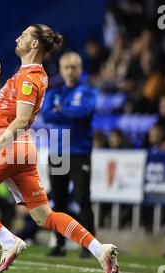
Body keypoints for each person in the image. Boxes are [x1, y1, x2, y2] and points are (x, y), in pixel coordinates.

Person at [0, 24, 120, 273]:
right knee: (44, 216)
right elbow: (6, 118)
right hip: (19, 151)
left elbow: (21, 121)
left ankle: (8, 241)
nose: (18, 37)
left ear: (35, 44)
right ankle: (100, 249)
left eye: (25, 35)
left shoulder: (30, 78)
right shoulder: (25, 74)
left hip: (9, 150)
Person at [41, 51, 97, 258]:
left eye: (74, 67)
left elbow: (84, 112)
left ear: (80, 70)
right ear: (62, 70)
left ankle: (89, 246)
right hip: (57, 152)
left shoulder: (88, 92)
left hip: (79, 152)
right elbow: (46, 115)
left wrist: (60, 111)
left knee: (83, 198)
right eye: (67, 67)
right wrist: (67, 111)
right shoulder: (54, 93)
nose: (71, 71)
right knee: (58, 200)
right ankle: (59, 244)